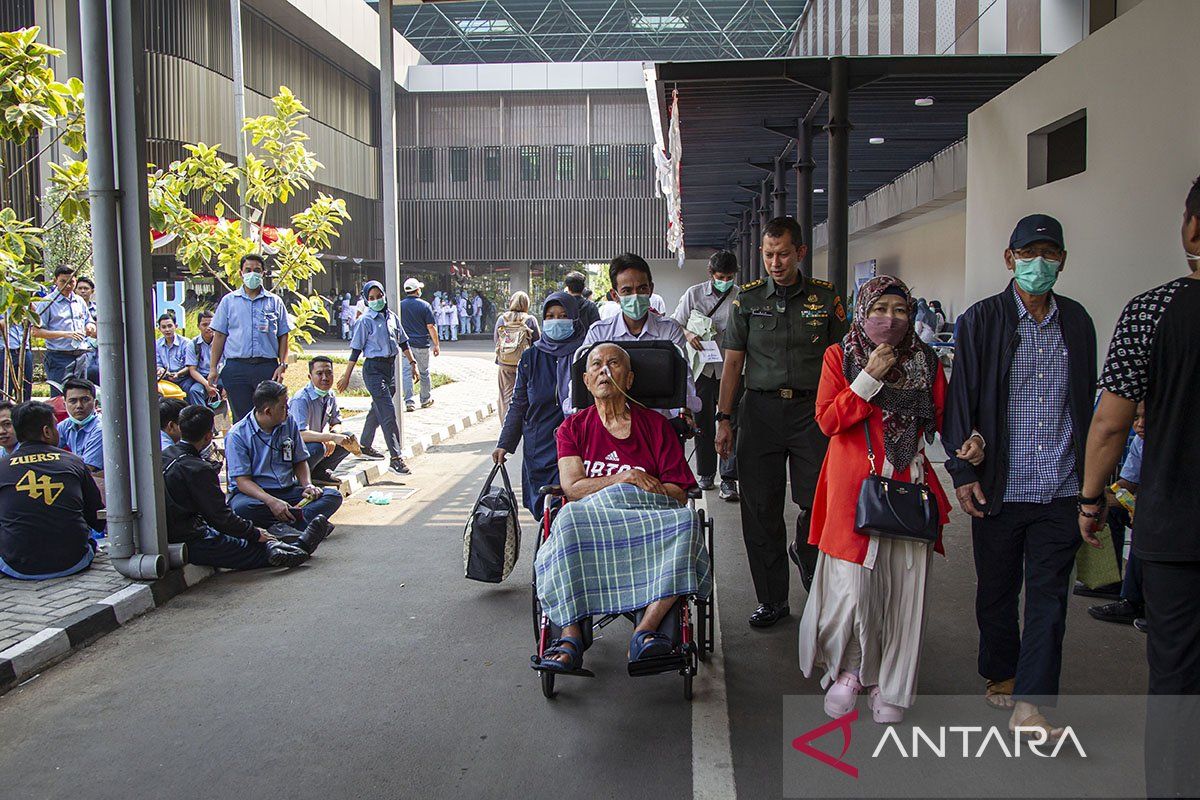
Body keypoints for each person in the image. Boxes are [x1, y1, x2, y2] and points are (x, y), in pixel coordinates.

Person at [942, 213, 1096, 740]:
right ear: (1010, 260)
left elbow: (1085, 406)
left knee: (1050, 597)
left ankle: (1031, 704)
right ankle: (1001, 673)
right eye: (1029, 254)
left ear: (1062, 261)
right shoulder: (982, 319)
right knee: (997, 592)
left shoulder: (1077, 321)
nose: (1039, 263)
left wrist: (1094, 485)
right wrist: (963, 468)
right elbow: (961, 397)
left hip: (1060, 486)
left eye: (1050, 254)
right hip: (1000, 485)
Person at [1077, 177, 1200, 798]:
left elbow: (1110, 422)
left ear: (1192, 229)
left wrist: (1092, 498)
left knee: (1177, 675)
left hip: (1177, 527)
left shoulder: (1152, 310)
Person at [797, 277, 954, 724]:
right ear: (862, 309)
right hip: (852, 490)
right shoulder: (839, 356)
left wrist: (972, 442)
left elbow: (945, 418)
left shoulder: (927, 361)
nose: (890, 318)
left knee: (904, 591)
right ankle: (849, 671)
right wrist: (869, 378)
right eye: (880, 308)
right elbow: (828, 421)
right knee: (853, 591)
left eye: (901, 310)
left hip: (909, 487)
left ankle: (892, 682)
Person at [531, 343, 711, 672]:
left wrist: (644, 488)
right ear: (585, 381)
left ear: (628, 379)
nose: (604, 370)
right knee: (567, 518)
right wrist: (625, 477)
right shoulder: (572, 428)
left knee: (686, 523)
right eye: (596, 365)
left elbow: (679, 492)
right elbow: (573, 488)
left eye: (613, 364)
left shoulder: (656, 427)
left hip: (645, 520)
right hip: (593, 522)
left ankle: (645, 632)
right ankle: (570, 635)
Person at [716, 216, 849, 628]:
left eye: (784, 254)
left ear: (801, 253)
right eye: (769, 255)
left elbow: (844, 357)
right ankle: (772, 599)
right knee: (760, 509)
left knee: (818, 502)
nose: (775, 262)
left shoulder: (826, 298)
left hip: (813, 413)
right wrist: (723, 418)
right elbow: (733, 362)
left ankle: (806, 553)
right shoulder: (748, 300)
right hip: (760, 413)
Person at [163, 405, 318, 570]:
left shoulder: (164, 456)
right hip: (191, 536)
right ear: (208, 436)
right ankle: (299, 548)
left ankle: (290, 543)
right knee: (245, 547)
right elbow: (220, 517)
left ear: (180, 428)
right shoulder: (198, 469)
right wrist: (254, 533)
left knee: (239, 535)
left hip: (180, 529)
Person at [492, 291, 585, 520]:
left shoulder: (586, 354)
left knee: (574, 511)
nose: (556, 321)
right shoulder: (531, 357)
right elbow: (519, 403)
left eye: (563, 316)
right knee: (545, 511)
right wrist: (505, 443)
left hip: (579, 445)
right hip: (540, 445)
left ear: (574, 318)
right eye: (551, 316)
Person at [579, 254, 700, 417]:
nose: (635, 296)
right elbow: (584, 383)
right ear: (615, 295)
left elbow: (683, 379)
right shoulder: (599, 333)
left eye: (642, 288)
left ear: (651, 289)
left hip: (660, 424)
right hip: (610, 423)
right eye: (627, 291)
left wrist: (684, 414)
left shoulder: (669, 331)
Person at [0, 401, 104, 580]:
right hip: (75, 561)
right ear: (47, 431)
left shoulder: (2, 467)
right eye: (56, 426)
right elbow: (96, 518)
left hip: (16, 566)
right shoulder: (74, 462)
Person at [225, 380, 343, 531]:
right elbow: (242, 481)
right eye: (283, 406)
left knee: (331, 496)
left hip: (287, 490)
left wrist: (307, 485)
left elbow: (299, 460)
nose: (287, 409)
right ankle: (306, 524)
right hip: (256, 495)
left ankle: (285, 525)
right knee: (242, 509)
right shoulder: (237, 435)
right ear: (268, 411)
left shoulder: (289, 422)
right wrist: (271, 501)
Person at [672, 249, 741, 500]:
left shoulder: (740, 296)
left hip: (731, 371)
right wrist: (689, 335)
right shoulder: (694, 294)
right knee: (702, 424)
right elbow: (676, 323)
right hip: (702, 370)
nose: (725, 280)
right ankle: (706, 474)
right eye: (721, 276)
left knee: (731, 423)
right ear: (711, 274)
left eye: (730, 276)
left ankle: (729, 478)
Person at [336, 281, 417, 475]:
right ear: (365, 300)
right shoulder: (365, 321)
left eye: (378, 296)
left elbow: (403, 341)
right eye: (371, 298)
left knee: (377, 408)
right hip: (373, 369)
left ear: (384, 295)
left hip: (389, 368)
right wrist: (346, 376)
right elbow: (356, 350)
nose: (376, 300)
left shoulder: (392, 317)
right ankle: (396, 458)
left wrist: (413, 364)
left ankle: (365, 444)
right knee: (388, 413)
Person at [207, 254, 292, 421]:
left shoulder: (274, 302)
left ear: (263, 273)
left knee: (269, 416)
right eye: (248, 270)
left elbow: (283, 335)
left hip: (266, 367)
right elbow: (219, 337)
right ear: (241, 273)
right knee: (241, 418)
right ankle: (244, 447)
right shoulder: (228, 302)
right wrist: (213, 368)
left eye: (257, 270)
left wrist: (282, 365)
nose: (252, 274)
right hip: (236, 368)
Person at [1087, 403, 1144, 627]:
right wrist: (1098, 496)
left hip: (1168, 510)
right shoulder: (1140, 442)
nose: (1139, 424)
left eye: (1145, 417)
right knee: (1105, 509)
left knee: (1145, 527)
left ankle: (1133, 601)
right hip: (1144, 502)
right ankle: (1110, 580)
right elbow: (1128, 482)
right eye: (1135, 418)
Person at [292, 356, 355, 486]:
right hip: (299, 449)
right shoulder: (300, 400)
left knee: (348, 439)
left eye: (328, 373)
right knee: (318, 447)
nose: (325, 378)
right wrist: (330, 437)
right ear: (310, 377)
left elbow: (336, 421)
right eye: (319, 374)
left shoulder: (330, 394)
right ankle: (300, 478)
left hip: (321, 441)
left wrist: (334, 435)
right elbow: (300, 434)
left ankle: (319, 473)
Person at [32, 266, 95, 394]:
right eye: (63, 281)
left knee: (81, 394)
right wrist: (66, 334)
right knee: (60, 397)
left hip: (81, 356)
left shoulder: (79, 301)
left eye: (71, 281)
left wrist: (90, 326)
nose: (68, 285)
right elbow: (36, 331)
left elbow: (89, 321)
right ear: (56, 281)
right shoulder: (47, 302)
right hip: (59, 357)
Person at [494, 291, 539, 422]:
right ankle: (524, 422)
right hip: (525, 364)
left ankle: (506, 424)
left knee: (506, 396)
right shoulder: (530, 320)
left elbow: (496, 340)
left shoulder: (502, 319)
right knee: (526, 394)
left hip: (505, 363)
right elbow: (537, 342)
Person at [399, 277, 439, 411]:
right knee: (424, 372)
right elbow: (431, 326)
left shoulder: (399, 306)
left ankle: (409, 401)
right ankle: (425, 399)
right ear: (417, 290)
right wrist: (436, 344)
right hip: (422, 344)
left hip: (405, 346)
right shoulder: (425, 305)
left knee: (406, 373)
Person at [56, 378, 104, 478]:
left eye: (85, 400)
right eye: (73, 401)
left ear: (95, 404)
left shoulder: (100, 429)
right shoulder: (66, 425)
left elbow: (86, 469)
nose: (79, 406)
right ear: (65, 405)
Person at [185, 310, 223, 407]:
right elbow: (192, 370)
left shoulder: (223, 341)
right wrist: (207, 384)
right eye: (204, 325)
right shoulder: (193, 344)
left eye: (211, 324)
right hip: (202, 378)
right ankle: (203, 418)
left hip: (220, 377)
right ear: (198, 326)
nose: (208, 328)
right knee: (194, 391)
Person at [155, 312, 196, 398]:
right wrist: (161, 370)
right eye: (164, 327)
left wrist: (178, 374)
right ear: (159, 329)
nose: (167, 330)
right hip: (166, 378)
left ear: (176, 326)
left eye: (170, 326)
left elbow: (190, 366)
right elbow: (158, 364)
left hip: (184, 378)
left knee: (187, 389)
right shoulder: (157, 344)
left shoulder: (186, 343)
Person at [0, 308, 33, 403]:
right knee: (5, 391)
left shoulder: (24, 305)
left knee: (26, 390)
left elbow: (37, 322)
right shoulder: (3, 304)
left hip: (24, 351)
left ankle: (25, 415)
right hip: (5, 352)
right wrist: (16, 316)